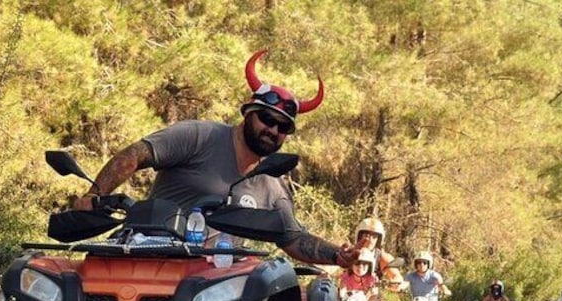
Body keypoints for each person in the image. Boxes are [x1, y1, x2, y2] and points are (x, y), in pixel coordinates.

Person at [72, 49, 360, 269]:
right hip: (149, 257)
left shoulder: (273, 183)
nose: (272, 130)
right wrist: (95, 194)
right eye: (267, 119)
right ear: (248, 112)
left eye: (283, 127)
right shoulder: (199, 136)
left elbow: (293, 238)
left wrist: (338, 255)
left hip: (214, 288)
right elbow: (135, 155)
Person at [353, 217, 403, 289]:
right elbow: (335, 266)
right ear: (359, 236)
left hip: (371, 296)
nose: (370, 240)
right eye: (366, 235)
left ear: (379, 239)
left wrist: (396, 282)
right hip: (347, 295)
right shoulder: (349, 252)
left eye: (374, 236)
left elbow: (395, 274)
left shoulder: (381, 257)